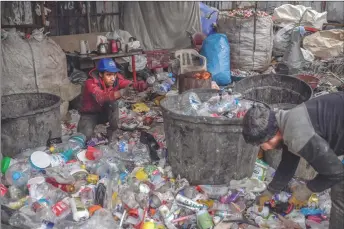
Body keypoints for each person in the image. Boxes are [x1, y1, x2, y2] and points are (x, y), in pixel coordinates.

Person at [242, 92, 344, 229]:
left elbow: (336, 173)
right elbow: (288, 163)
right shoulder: (286, 120)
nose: (265, 149)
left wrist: (306, 190)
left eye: (264, 143)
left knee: (340, 191)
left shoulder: (298, 134)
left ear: (274, 133)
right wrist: (270, 192)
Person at [77, 58, 147, 141]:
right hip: (90, 114)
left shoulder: (116, 79)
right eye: (109, 75)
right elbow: (101, 97)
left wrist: (140, 85)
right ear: (100, 74)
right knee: (84, 137)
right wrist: (121, 92)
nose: (113, 78)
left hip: (105, 112)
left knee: (113, 104)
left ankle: (113, 132)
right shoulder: (91, 83)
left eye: (114, 74)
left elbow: (128, 84)